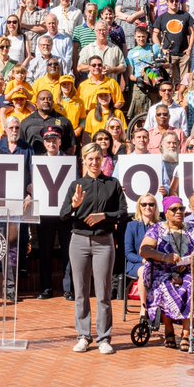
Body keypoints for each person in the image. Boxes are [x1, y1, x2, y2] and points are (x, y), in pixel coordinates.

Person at [62, 142, 126, 355]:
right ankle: (83, 335)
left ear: (104, 160)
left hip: (104, 242)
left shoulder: (113, 184)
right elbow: (63, 216)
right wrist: (74, 205)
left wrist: (104, 216)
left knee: (103, 292)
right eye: (90, 159)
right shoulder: (76, 185)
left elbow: (124, 213)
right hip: (79, 241)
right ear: (84, 161)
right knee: (80, 291)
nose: (94, 162)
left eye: (98, 158)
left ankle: (104, 338)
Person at [138, 195, 194, 351]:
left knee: (192, 285)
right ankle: (169, 330)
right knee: (163, 287)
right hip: (163, 270)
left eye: (181, 209)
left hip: (187, 269)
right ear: (166, 212)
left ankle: (185, 333)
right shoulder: (157, 229)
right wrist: (164, 257)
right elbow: (144, 250)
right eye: (174, 209)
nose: (179, 212)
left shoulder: (192, 228)